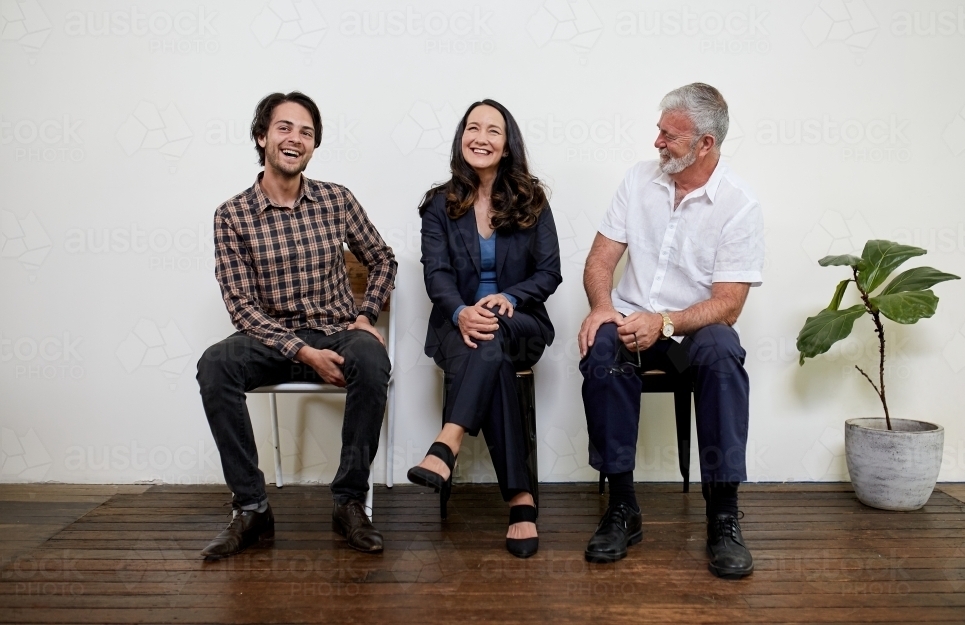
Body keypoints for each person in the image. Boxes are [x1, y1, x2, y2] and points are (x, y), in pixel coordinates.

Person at [196, 91, 396, 559]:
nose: (295, 138)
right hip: (271, 339)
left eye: (306, 132)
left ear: (313, 145)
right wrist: (302, 352)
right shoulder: (231, 215)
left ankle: (349, 502)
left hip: (336, 331)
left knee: (372, 358)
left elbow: (383, 259)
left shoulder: (336, 199)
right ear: (262, 137)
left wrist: (365, 316)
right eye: (284, 128)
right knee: (215, 364)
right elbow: (241, 307)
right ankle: (251, 507)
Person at [577, 83, 764, 578]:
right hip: (632, 317)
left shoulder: (739, 205)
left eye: (670, 135)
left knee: (724, 349)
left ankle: (723, 515)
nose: (657, 142)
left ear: (706, 143)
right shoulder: (638, 181)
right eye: (659, 130)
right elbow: (600, 259)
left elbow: (729, 305)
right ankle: (623, 507)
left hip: (693, 328)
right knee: (601, 345)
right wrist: (601, 307)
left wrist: (665, 322)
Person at [407, 99, 562, 558]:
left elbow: (549, 273)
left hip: (522, 322)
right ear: (461, 139)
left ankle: (446, 442)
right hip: (458, 328)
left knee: (493, 333)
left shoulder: (532, 199)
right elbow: (435, 273)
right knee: (488, 351)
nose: (481, 137)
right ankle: (521, 501)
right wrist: (460, 312)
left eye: (493, 131)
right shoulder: (439, 203)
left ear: (507, 143)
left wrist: (509, 297)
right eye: (472, 128)